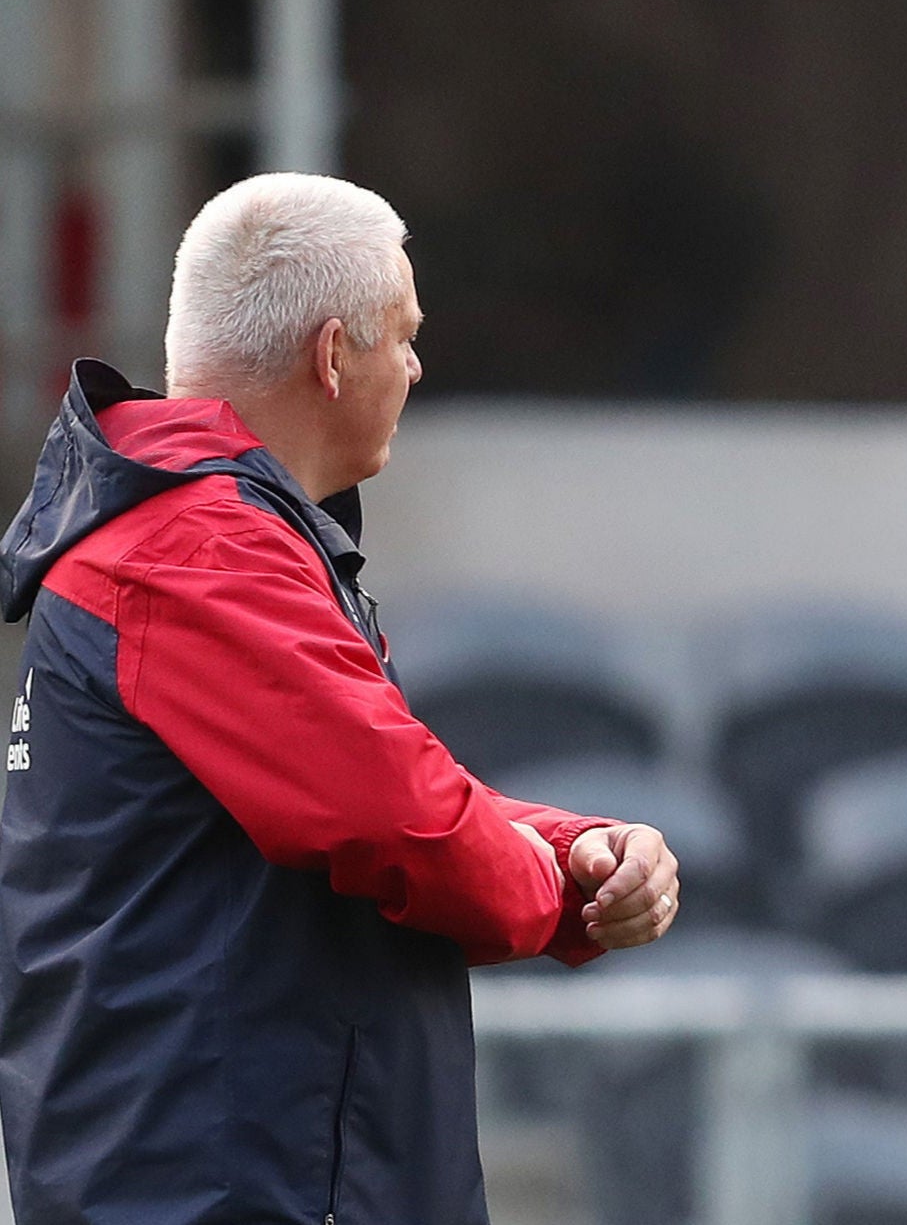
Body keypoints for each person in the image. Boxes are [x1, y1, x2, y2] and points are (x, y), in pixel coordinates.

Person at [0, 173, 681, 1224]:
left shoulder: (197, 537)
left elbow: (383, 786)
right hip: (229, 1187)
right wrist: (561, 885)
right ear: (331, 355)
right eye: (401, 336)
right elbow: (394, 819)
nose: (413, 366)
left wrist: (572, 843)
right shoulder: (197, 552)